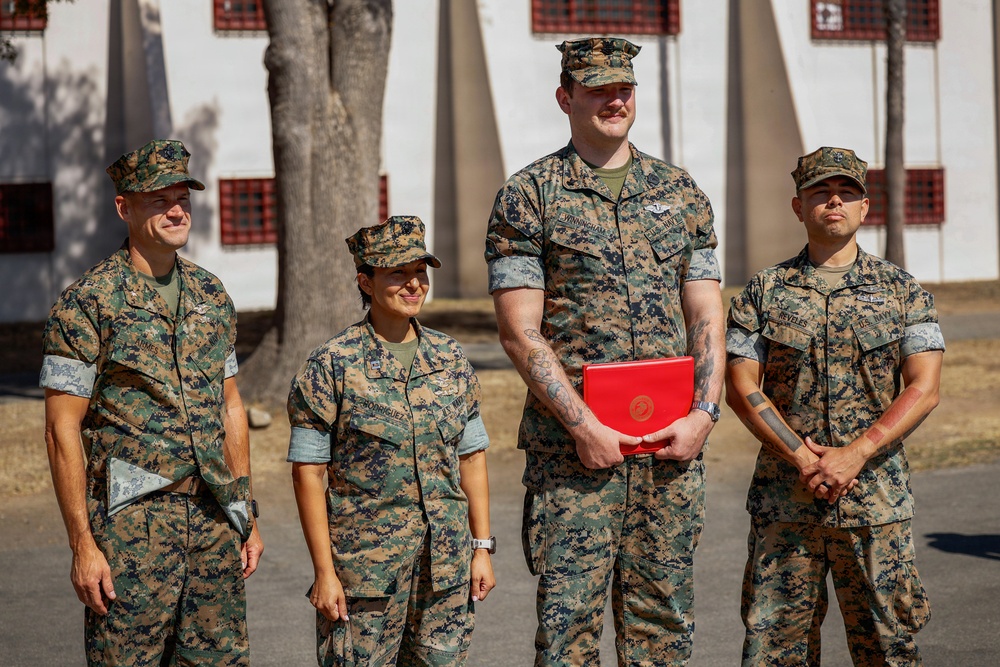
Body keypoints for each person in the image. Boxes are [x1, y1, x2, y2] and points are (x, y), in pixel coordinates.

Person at [485, 37, 725, 665]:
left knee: (664, 633)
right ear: (565, 98)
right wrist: (585, 426)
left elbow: (705, 313)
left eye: (624, 88)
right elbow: (520, 332)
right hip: (575, 462)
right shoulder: (529, 196)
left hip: (670, 450)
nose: (613, 100)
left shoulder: (680, 192)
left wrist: (705, 413)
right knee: (569, 637)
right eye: (596, 89)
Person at [41, 139, 263, 666]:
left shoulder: (212, 296)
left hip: (213, 521)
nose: (176, 209)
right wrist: (83, 545)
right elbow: (61, 430)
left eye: (182, 196)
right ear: (124, 207)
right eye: (158, 199)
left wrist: (244, 511)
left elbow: (231, 407)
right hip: (131, 529)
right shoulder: (87, 303)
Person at [725, 146, 944, 666]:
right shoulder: (764, 291)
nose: (833, 202)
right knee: (776, 652)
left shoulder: (902, 291)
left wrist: (857, 452)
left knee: (887, 649)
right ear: (798, 207)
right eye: (820, 192)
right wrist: (805, 458)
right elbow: (740, 385)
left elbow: (924, 386)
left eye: (846, 192)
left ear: (865, 208)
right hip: (787, 504)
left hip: (875, 506)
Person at [287, 215, 496, 666]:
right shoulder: (332, 364)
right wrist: (324, 573)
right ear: (365, 281)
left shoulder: (450, 357)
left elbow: (472, 457)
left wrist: (481, 549)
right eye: (397, 273)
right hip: (366, 574)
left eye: (420, 272)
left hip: (445, 568)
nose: (414, 284)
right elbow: (308, 473)